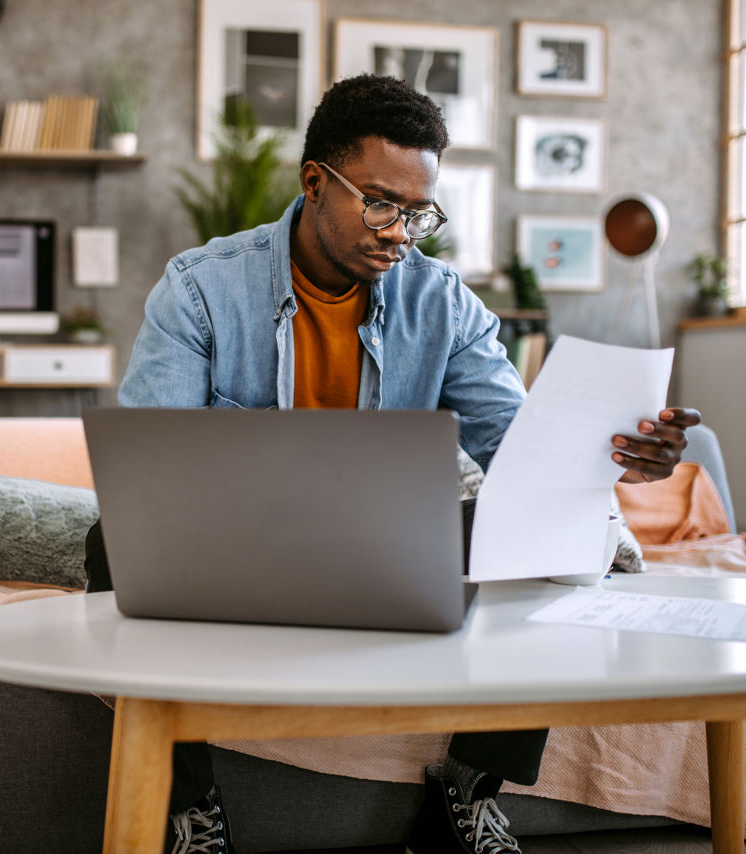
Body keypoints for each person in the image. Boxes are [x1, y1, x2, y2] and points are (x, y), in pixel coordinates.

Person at [86, 73, 701, 854]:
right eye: (380, 203)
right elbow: (152, 470)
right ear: (315, 182)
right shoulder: (203, 290)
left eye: (419, 213)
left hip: (385, 546)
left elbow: (520, 452)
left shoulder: (443, 303)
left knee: (549, 539)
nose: (399, 232)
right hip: (248, 547)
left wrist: (617, 465)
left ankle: (468, 789)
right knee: (113, 541)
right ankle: (188, 808)